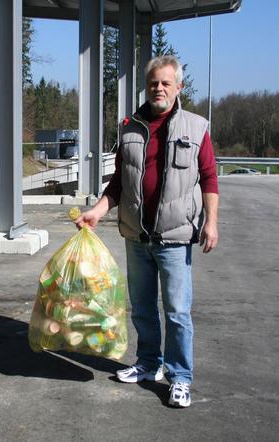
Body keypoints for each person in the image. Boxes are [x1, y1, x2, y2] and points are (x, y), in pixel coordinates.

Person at [74, 55, 219, 408]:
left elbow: (210, 178)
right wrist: (96, 211)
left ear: (179, 87)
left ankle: (180, 377)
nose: (159, 88)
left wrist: (211, 222)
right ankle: (149, 364)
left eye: (166, 83)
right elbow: (117, 185)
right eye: (154, 83)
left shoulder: (197, 127)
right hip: (136, 238)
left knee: (177, 313)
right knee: (141, 307)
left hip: (175, 238)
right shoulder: (130, 127)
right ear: (147, 86)